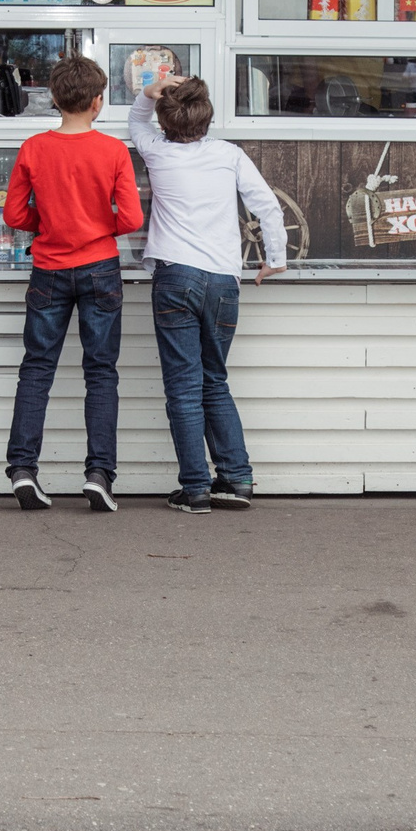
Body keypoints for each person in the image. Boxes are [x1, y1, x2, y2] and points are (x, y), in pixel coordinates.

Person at [127, 73, 286, 512]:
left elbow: (135, 120)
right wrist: (274, 258)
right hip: (222, 281)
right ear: (207, 116)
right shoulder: (228, 155)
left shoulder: (156, 150)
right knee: (214, 381)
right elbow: (267, 205)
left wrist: (149, 91)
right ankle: (236, 480)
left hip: (175, 277)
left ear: (166, 119)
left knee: (182, 385)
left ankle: (196, 487)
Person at [0, 53, 142, 512]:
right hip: (100, 267)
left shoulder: (34, 148)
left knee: (37, 368)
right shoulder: (113, 151)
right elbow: (133, 218)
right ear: (98, 102)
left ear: (54, 101)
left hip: (49, 270)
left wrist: (50, 222)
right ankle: (99, 474)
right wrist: (98, 225)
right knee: (101, 372)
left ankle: (23, 469)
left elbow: (14, 214)